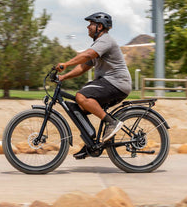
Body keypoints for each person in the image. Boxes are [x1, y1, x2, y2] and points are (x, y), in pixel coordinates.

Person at [56, 12, 132, 153]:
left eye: (91, 24)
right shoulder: (99, 44)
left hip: (116, 83)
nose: (88, 27)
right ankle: (91, 142)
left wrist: (66, 64)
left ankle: (111, 122)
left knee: (81, 97)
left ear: (100, 26)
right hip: (109, 83)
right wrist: (63, 77)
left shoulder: (105, 40)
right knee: (80, 107)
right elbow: (83, 66)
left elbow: (87, 55)